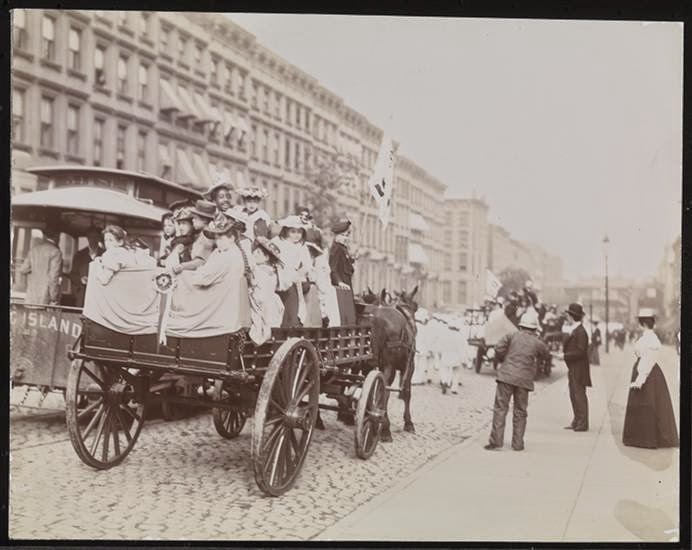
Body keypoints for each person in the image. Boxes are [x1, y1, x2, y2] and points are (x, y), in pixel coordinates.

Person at [485, 311, 551, 451]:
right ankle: (518, 444)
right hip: (524, 380)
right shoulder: (537, 342)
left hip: (506, 376)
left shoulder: (512, 335)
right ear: (534, 328)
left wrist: (505, 359)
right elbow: (546, 354)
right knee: (520, 411)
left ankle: (496, 442)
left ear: (521, 326)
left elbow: (498, 348)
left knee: (500, 409)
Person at [622, 309, 679, 449]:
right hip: (645, 371)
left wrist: (640, 379)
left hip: (648, 374)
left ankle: (646, 438)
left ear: (642, 323)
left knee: (648, 403)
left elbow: (649, 360)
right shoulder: (646, 337)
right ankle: (640, 437)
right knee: (644, 403)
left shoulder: (651, 339)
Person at [271, 215, 313, 327]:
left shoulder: (301, 247)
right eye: (293, 232)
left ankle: (291, 322)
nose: (296, 235)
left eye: (299, 232)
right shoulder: (277, 242)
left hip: (293, 276)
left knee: (293, 288)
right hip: (277, 273)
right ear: (286, 231)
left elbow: (307, 264)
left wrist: (301, 272)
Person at [560, 303, 591, 432]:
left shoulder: (580, 332)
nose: (566, 316)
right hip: (575, 367)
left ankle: (582, 423)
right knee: (574, 394)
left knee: (579, 394)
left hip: (579, 368)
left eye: (568, 314)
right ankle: (577, 420)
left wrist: (565, 356)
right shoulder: (577, 330)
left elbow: (581, 352)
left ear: (572, 316)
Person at [250, 236, 285, 341]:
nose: (254, 254)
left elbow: (258, 288)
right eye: (255, 251)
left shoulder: (261, 272)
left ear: (266, 258)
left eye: (258, 253)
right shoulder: (267, 271)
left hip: (262, 301)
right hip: (266, 300)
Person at [17, 226, 63, 305]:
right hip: (45, 298)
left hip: (31, 296)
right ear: (57, 236)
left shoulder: (34, 249)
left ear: (45, 236)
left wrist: (35, 270)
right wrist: (54, 298)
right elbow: (53, 277)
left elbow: (23, 269)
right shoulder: (56, 252)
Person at [169, 200, 216, 274]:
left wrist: (182, 266)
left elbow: (201, 261)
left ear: (204, 220)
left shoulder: (208, 237)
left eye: (195, 218)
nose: (193, 220)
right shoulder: (201, 235)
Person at [305, 236, 340, 328]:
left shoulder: (320, 262)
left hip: (322, 291)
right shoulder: (312, 261)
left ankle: (325, 319)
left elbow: (322, 283)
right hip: (316, 290)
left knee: (324, 301)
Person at [70, 226, 104, 307]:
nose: (92, 239)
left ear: (99, 238)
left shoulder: (105, 254)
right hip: (83, 296)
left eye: (95, 237)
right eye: (90, 237)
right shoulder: (79, 255)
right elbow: (73, 275)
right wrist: (81, 280)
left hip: (100, 296)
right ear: (87, 238)